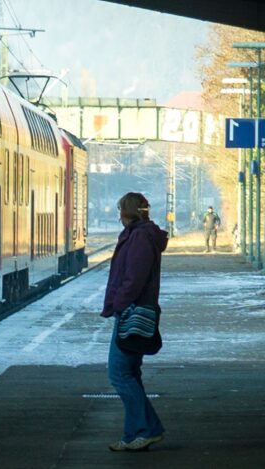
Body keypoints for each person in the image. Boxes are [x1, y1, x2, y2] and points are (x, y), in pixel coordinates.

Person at [101, 192, 167, 452]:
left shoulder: (139, 237)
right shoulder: (141, 234)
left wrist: (119, 303)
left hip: (132, 312)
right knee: (130, 373)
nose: (119, 216)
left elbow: (134, 277)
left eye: (120, 210)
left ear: (128, 211)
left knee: (118, 373)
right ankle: (135, 434)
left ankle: (145, 430)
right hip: (133, 310)